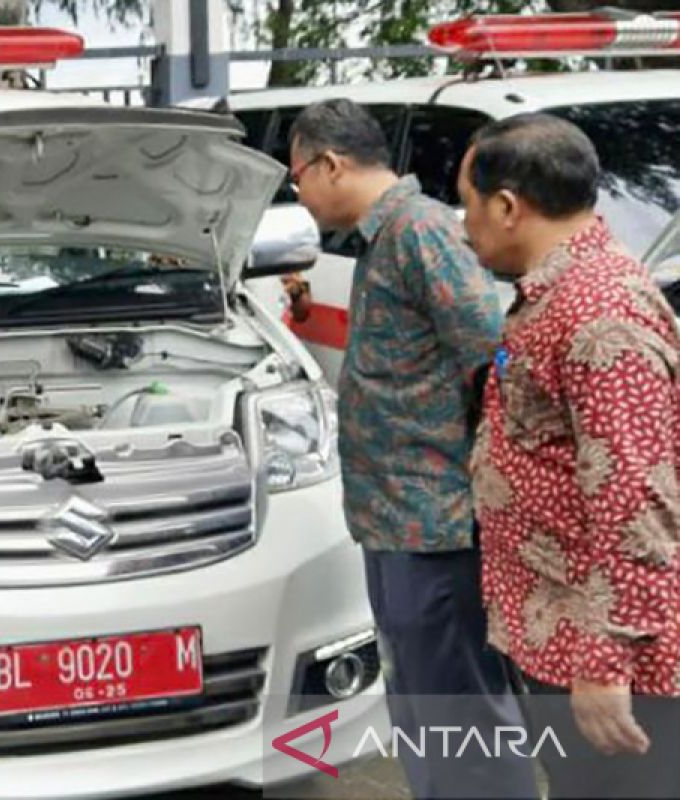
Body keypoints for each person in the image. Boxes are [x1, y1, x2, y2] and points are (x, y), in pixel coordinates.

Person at [288, 98, 537, 799]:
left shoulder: (420, 231)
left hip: (436, 525)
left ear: (330, 164)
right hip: (396, 521)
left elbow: (496, 357)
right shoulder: (386, 235)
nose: (299, 195)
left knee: (462, 713)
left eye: (298, 176)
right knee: (424, 708)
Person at [461, 113, 680, 799]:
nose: (464, 226)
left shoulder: (601, 314)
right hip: (557, 630)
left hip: (607, 662)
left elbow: (636, 498)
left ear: (506, 206)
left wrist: (607, 661)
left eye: (467, 207)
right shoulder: (555, 294)